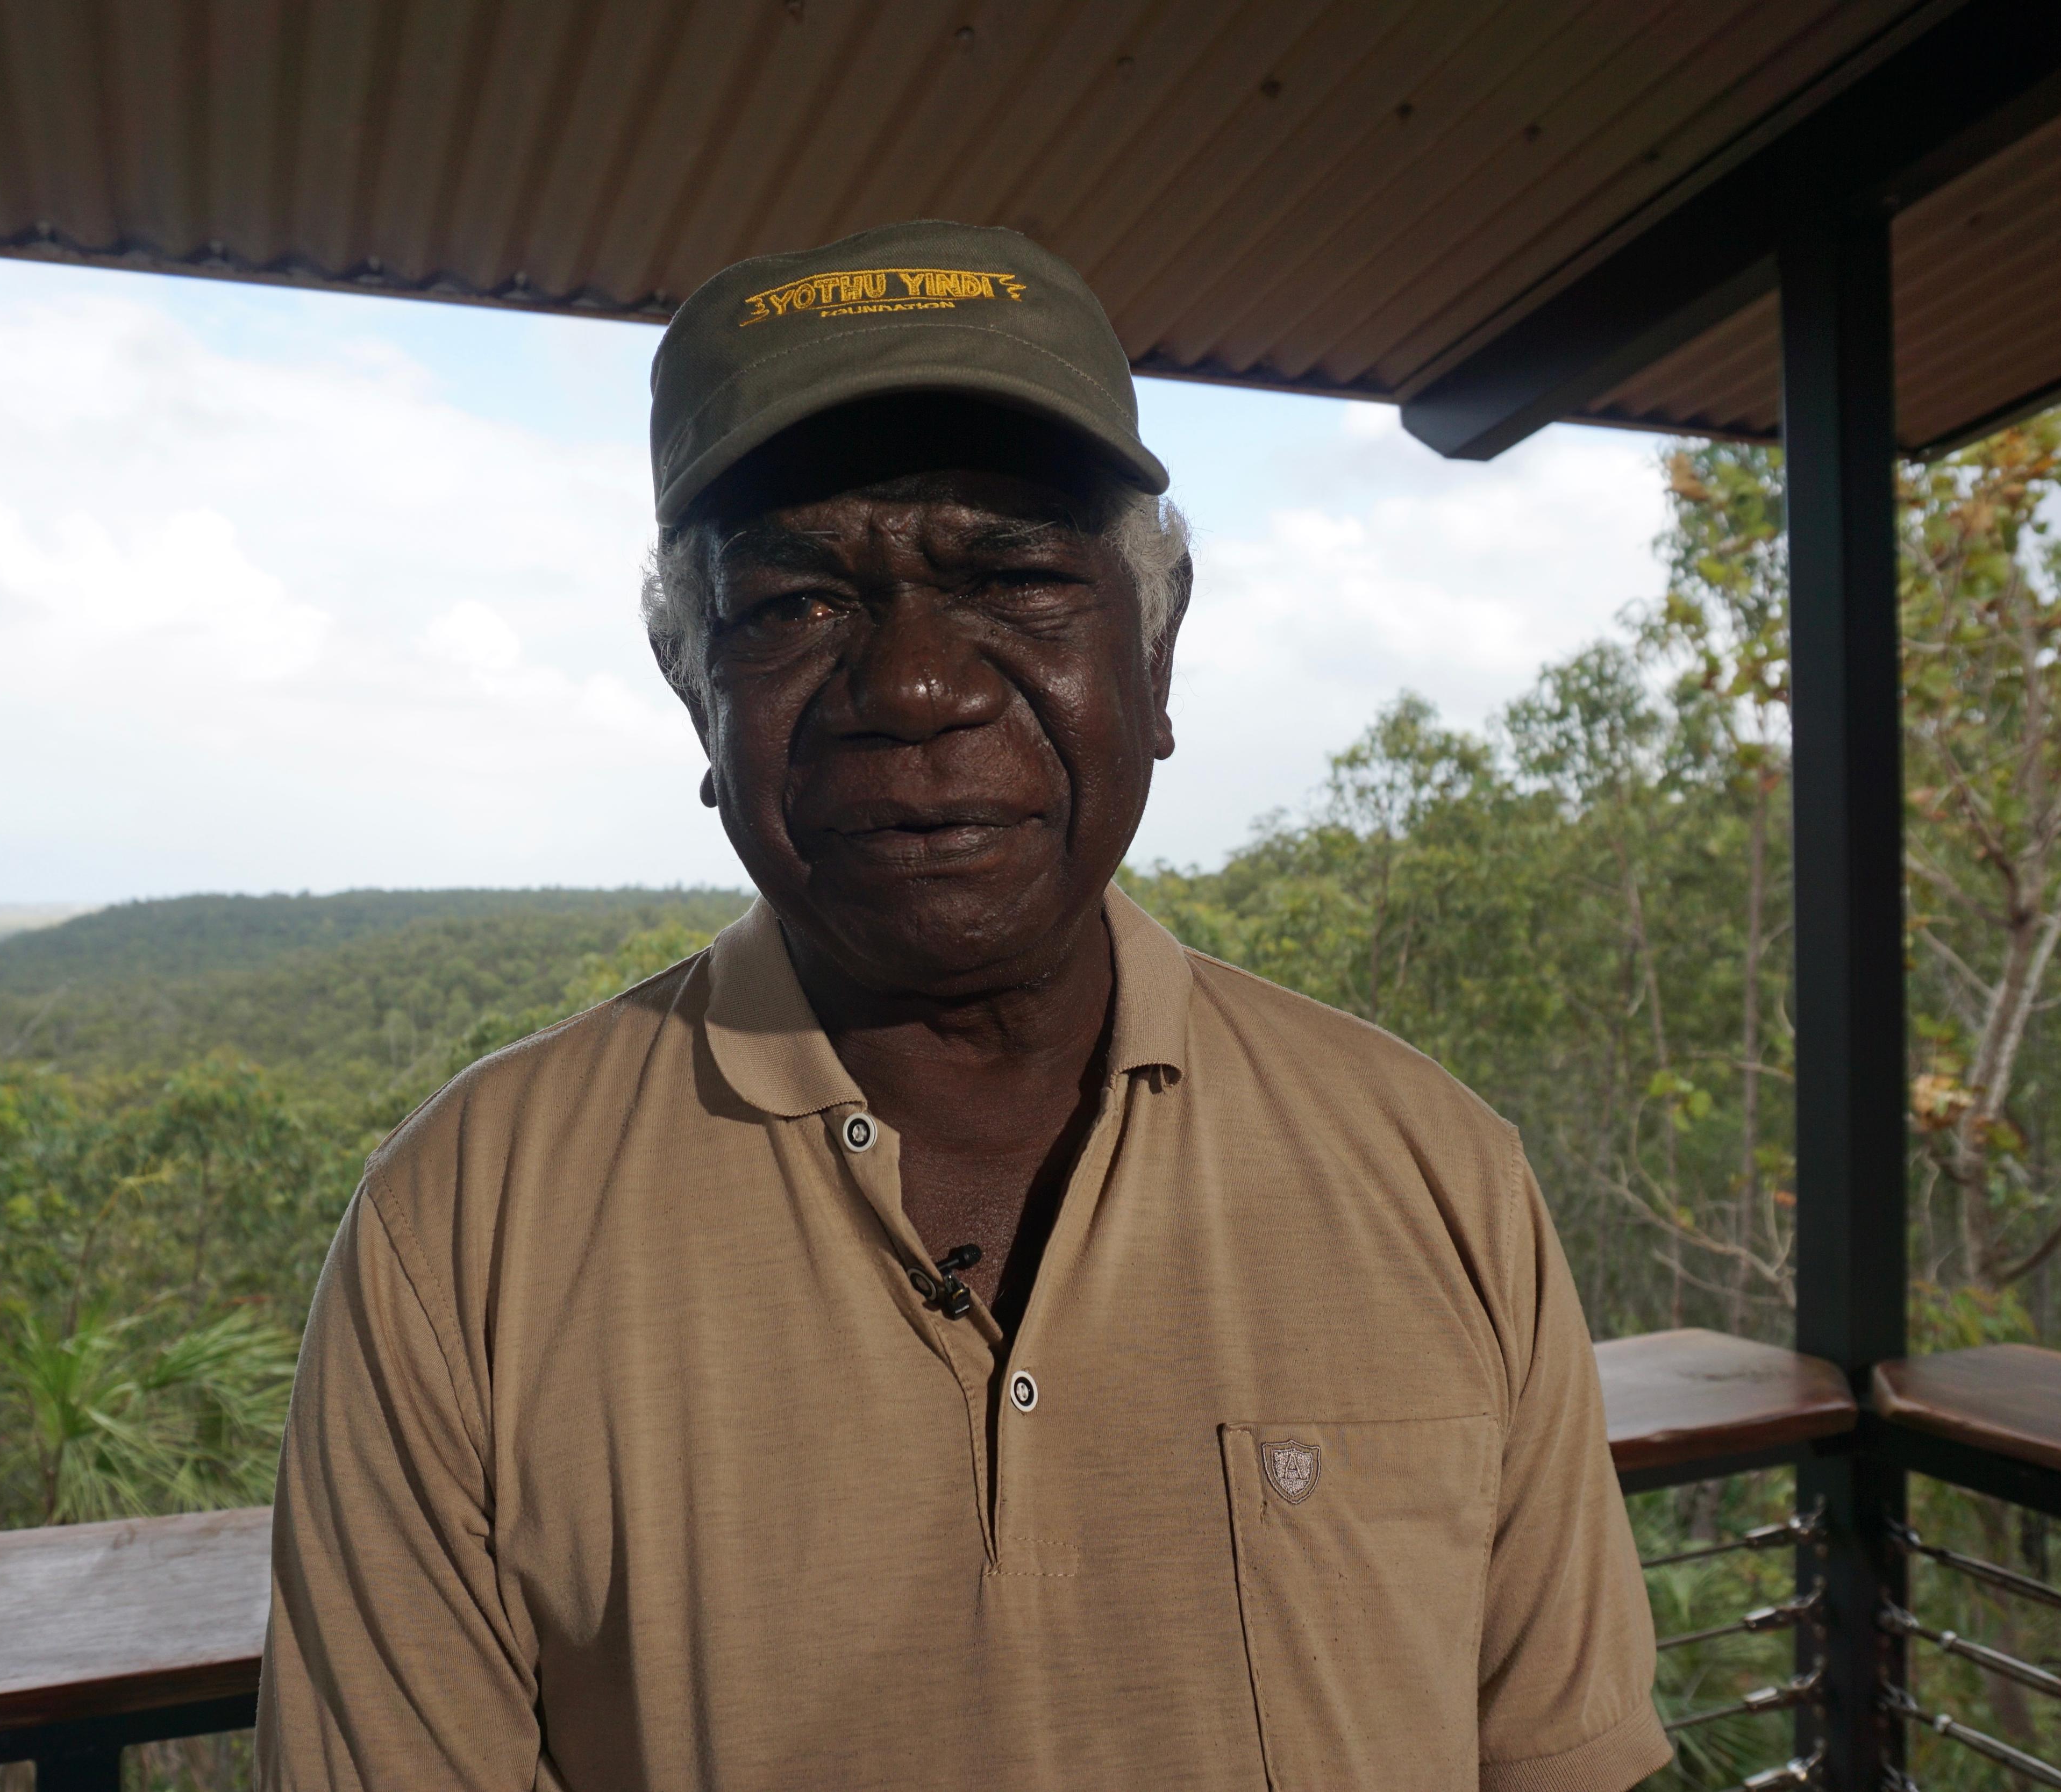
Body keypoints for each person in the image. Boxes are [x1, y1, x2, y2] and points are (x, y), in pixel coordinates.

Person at [258, 219, 1670, 1792]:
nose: (917, 685)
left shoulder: (1431, 1170)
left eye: (1014, 574)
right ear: (689, 684)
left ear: (1158, 641)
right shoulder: (463, 1231)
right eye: (794, 604)